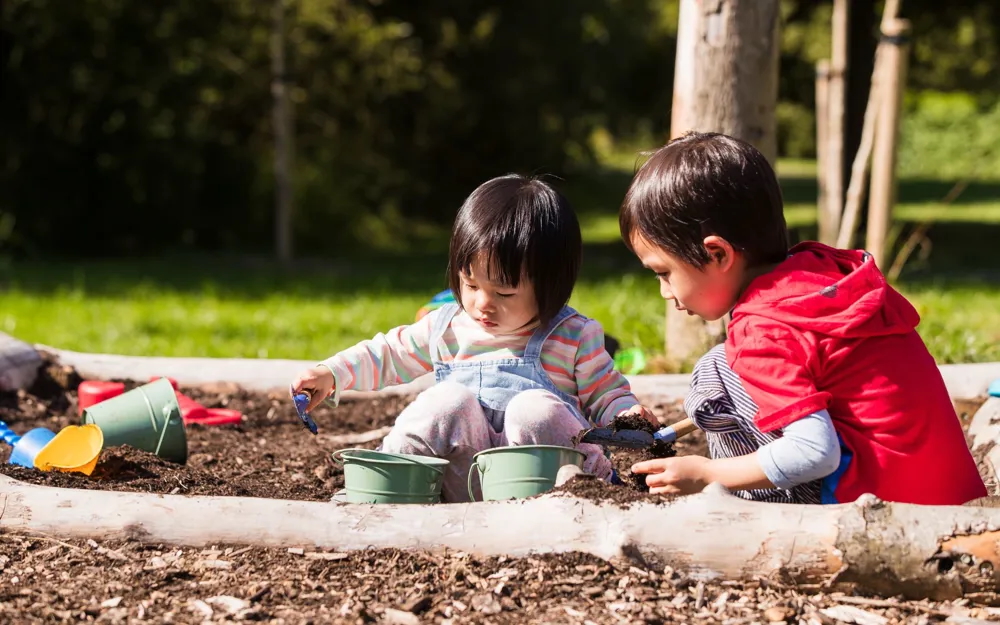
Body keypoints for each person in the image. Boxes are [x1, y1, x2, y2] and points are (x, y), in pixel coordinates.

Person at [618, 131, 986, 505]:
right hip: (951, 495)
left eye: (663, 272)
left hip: (876, 506)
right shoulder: (825, 275)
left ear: (717, 254)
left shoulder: (761, 329)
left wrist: (709, 474)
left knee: (714, 376)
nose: (665, 293)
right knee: (723, 363)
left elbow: (814, 451)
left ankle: (746, 515)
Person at [291, 174, 654, 502]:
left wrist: (627, 416)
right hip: (467, 483)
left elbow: (606, 391)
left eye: (505, 293)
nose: (482, 303)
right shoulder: (447, 327)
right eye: (470, 284)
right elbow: (387, 353)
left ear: (550, 286)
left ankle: (599, 491)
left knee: (534, 410)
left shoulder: (572, 336)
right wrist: (332, 373)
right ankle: (386, 484)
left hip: (553, 482)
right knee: (446, 401)